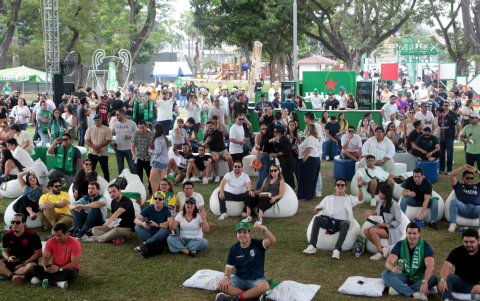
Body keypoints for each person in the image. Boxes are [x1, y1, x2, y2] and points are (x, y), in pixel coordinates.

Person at [303, 177, 363, 259]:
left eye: (342, 185)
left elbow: (360, 200)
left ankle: (337, 249)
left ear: (345, 188)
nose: (340, 186)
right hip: (330, 221)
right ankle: (312, 246)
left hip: (342, 221)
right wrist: (317, 209)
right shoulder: (328, 198)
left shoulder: (349, 198)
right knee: (317, 219)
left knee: (346, 223)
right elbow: (319, 207)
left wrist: (360, 186)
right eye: (338, 184)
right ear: (335, 187)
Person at [215, 222, 276, 301]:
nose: (242, 235)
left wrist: (263, 228)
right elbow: (228, 268)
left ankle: (233, 298)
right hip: (239, 279)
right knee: (220, 284)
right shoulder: (233, 249)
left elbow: (272, 240)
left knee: (265, 286)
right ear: (236, 234)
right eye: (239, 232)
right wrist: (226, 278)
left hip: (255, 279)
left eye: (245, 232)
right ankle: (252, 296)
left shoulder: (258, 244)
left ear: (249, 233)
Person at [381, 222, 437, 300]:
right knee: (385, 274)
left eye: (415, 233)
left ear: (419, 234)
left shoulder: (425, 246)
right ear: (406, 233)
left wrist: (424, 281)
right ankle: (413, 292)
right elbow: (389, 262)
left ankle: (399, 289)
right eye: (409, 233)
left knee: (433, 279)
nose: (412, 236)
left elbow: (430, 266)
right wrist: (393, 269)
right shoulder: (400, 244)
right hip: (403, 274)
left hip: (419, 275)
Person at [30, 223, 80, 290]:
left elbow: (74, 263)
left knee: (71, 273)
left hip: (66, 268)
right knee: (34, 268)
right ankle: (57, 282)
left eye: (59, 235)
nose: (57, 238)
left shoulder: (75, 243)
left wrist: (60, 268)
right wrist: (45, 266)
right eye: (55, 235)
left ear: (66, 233)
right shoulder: (51, 241)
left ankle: (43, 278)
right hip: (54, 267)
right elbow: (45, 258)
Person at [363, 185, 404, 260]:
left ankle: (380, 252)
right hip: (381, 226)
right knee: (366, 231)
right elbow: (377, 213)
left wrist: (386, 225)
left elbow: (398, 221)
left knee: (372, 230)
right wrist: (371, 213)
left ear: (386, 194)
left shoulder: (394, 206)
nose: (379, 194)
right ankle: (383, 248)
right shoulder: (381, 202)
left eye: (380, 192)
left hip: (390, 229)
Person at [438, 229, 480, 301]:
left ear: (478, 241)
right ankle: (448, 299)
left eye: (472, 242)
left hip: (477, 284)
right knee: (447, 276)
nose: (469, 244)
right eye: (466, 242)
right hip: (460, 282)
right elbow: (446, 266)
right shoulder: (458, 251)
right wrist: (443, 280)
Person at [0, 213, 42, 284]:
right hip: (13, 262)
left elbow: (38, 253)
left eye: (18, 222)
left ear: (24, 223)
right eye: (13, 222)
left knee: (32, 266)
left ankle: (6, 273)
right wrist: (8, 258)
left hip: (28, 262)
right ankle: (14, 275)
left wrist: (23, 263)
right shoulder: (7, 235)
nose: (14, 224)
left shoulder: (32, 235)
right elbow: (4, 251)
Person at [448, 164, 480, 232]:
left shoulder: (477, 186)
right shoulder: (459, 186)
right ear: (463, 178)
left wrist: (475, 170)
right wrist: (463, 167)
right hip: (463, 208)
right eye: (467, 178)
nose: (470, 180)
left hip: (476, 209)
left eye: (472, 178)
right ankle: (453, 223)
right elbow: (452, 175)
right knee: (454, 201)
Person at [84, 114, 112, 182]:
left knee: (105, 170)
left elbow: (108, 140)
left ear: (101, 120)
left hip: (103, 154)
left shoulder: (107, 129)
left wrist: (98, 146)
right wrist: (94, 147)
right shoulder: (90, 129)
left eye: (98, 119)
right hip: (92, 153)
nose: (96, 121)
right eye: (95, 119)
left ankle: (107, 184)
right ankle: (90, 183)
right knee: (90, 170)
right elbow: (87, 140)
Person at [297, 123, 321, 201]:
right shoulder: (313, 138)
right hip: (314, 159)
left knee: (306, 178)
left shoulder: (310, 138)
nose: (305, 130)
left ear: (309, 130)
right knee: (311, 178)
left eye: (306, 128)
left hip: (310, 160)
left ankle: (305, 195)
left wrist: (304, 159)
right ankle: (309, 194)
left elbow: (309, 149)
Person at [130, 120, 154, 194]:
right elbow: (132, 145)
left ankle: (151, 189)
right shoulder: (135, 134)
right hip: (138, 158)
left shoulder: (151, 134)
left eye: (143, 128)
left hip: (148, 158)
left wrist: (152, 149)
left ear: (146, 126)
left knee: (150, 175)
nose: (141, 130)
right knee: (139, 176)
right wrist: (134, 154)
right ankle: (140, 190)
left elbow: (154, 145)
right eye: (139, 128)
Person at [110, 108, 138, 174]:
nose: (116, 116)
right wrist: (111, 143)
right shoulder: (115, 124)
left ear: (123, 115)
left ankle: (135, 183)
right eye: (116, 115)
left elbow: (138, 135)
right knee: (120, 169)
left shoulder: (132, 123)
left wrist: (130, 137)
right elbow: (110, 134)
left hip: (130, 149)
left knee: (133, 168)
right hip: (118, 150)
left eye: (117, 115)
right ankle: (121, 183)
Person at [437, 107, 462, 174]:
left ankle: (449, 169)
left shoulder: (450, 117)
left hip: (449, 138)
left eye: (438, 113)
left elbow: (459, 125)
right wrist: (439, 136)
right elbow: (440, 127)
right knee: (441, 154)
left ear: (442, 112)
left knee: (449, 154)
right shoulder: (439, 118)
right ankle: (441, 169)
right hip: (442, 138)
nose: (437, 115)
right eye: (437, 113)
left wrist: (457, 135)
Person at [149, 123, 169, 190]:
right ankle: (162, 196)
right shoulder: (165, 138)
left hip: (158, 161)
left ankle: (155, 196)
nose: (153, 130)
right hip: (165, 161)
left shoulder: (157, 139)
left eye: (154, 129)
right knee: (162, 180)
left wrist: (151, 151)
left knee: (152, 179)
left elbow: (158, 151)